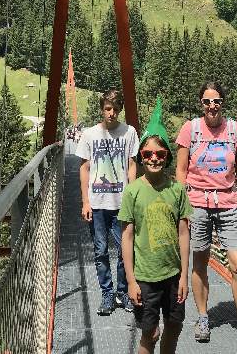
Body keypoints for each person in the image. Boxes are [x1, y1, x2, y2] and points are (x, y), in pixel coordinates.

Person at [175, 80, 237, 350]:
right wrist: (181, 205)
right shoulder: (191, 129)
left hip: (228, 202)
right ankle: (202, 317)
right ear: (201, 104)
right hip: (197, 202)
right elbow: (180, 170)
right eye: (207, 102)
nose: (212, 106)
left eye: (217, 101)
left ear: (223, 103)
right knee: (199, 262)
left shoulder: (235, 130)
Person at [120, 99, 192, 354]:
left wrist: (184, 275)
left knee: (174, 324)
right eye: (147, 154)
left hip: (173, 276)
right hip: (145, 278)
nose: (154, 159)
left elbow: (184, 232)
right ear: (140, 156)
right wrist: (130, 280)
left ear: (168, 157)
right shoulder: (133, 192)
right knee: (149, 334)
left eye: (160, 154)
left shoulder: (177, 190)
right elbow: (127, 237)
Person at [77, 88, 140, 315]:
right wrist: (85, 201)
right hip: (97, 202)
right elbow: (84, 168)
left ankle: (123, 291)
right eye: (107, 109)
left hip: (121, 202)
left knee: (126, 250)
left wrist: (131, 195)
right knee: (100, 251)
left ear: (120, 110)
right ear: (102, 110)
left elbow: (133, 165)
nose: (111, 113)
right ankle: (107, 293)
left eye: (115, 109)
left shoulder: (129, 132)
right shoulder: (89, 134)